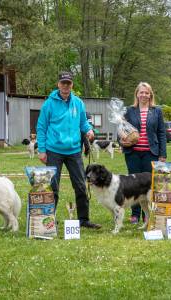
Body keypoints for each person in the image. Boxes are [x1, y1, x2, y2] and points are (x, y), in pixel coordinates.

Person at [37, 71, 101, 229]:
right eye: (63, 83)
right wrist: (42, 150)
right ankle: (49, 219)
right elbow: (41, 127)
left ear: (72, 85)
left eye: (69, 83)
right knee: (53, 187)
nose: (66, 86)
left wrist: (89, 130)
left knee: (80, 185)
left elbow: (83, 123)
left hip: (73, 151)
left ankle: (83, 220)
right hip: (53, 150)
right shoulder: (48, 104)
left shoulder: (78, 103)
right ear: (58, 84)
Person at [120, 82, 167, 224]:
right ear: (137, 94)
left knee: (149, 186)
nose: (144, 95)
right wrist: (122, 140)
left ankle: (149, 214)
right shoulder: (129, 111)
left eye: (147, 92)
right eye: (141, 92)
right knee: (133, 185)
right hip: (133, 154)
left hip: (151, 154)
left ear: (150, 94)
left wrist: (162, 154)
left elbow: (161, 133)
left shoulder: (157, 111)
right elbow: (121, 129)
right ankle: (135, 214)